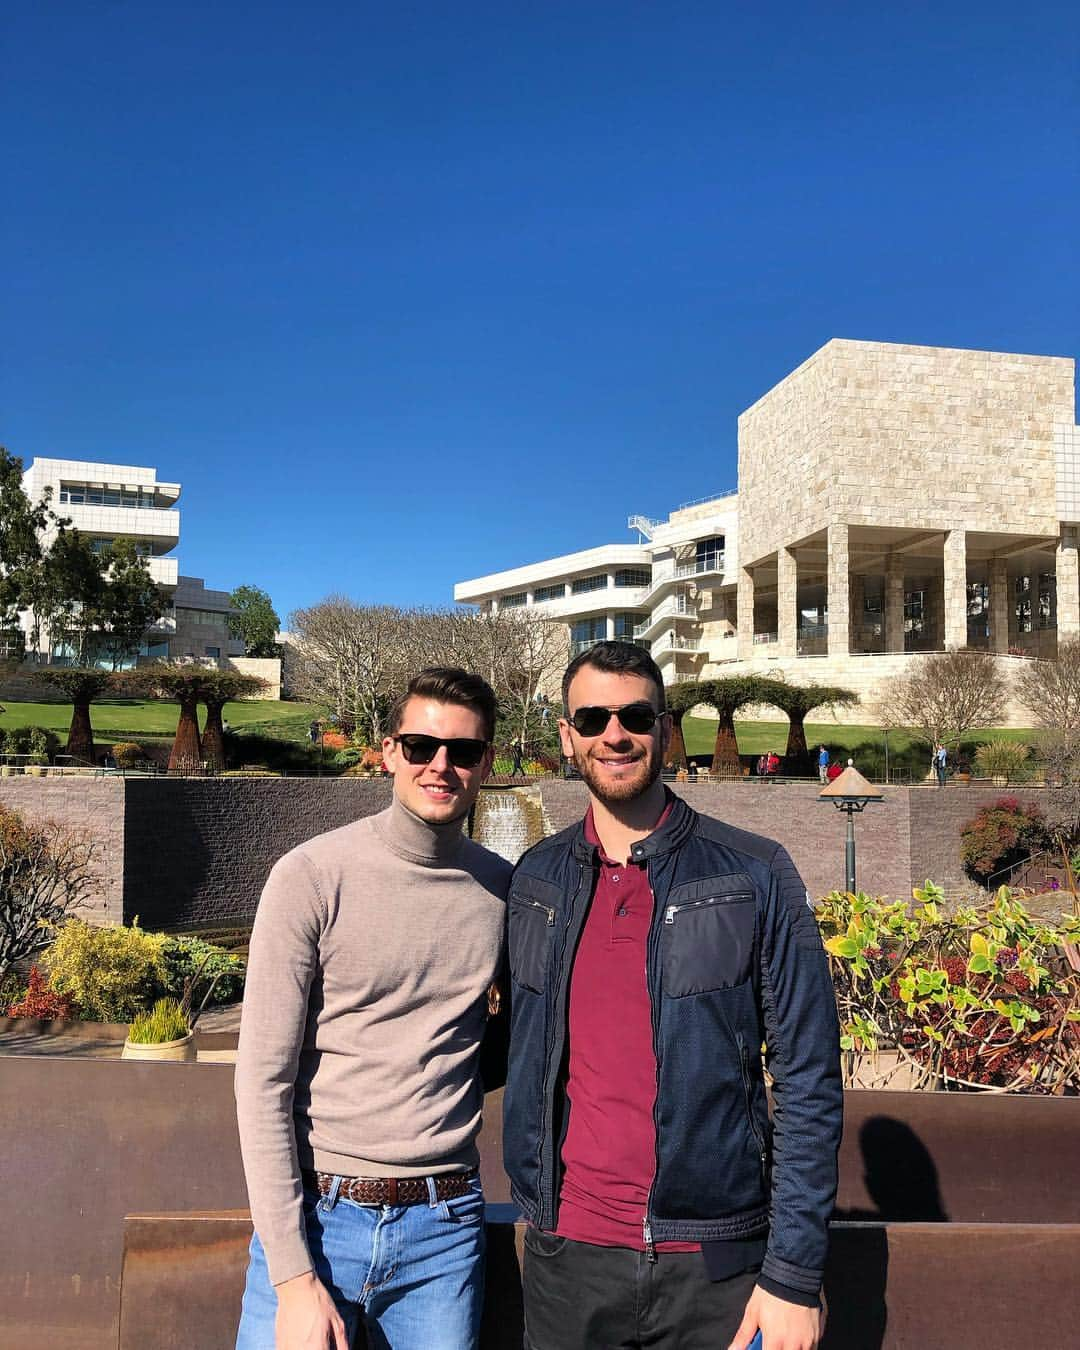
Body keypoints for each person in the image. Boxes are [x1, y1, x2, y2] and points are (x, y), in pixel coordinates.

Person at [503, 641, 842, 1350]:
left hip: (715, 1266)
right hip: (569, 1264)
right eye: (592, 718)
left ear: (662, 727)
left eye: (634, 715)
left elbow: (809, 1080)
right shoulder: (535, 879)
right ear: (567, 736)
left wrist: (793, 1274)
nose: (613, 734)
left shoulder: (754, 872)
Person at [235, 668, 512, 1350]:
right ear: (388, 752)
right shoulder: (310, 876)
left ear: (487, 764)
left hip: (444, 1232)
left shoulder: (503, 891)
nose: (440, 766)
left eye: (463, 751)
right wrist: (295, 1279)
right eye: (420, 746)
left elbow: (511, 1040)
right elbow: (261, 1081)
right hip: (316, 1222)